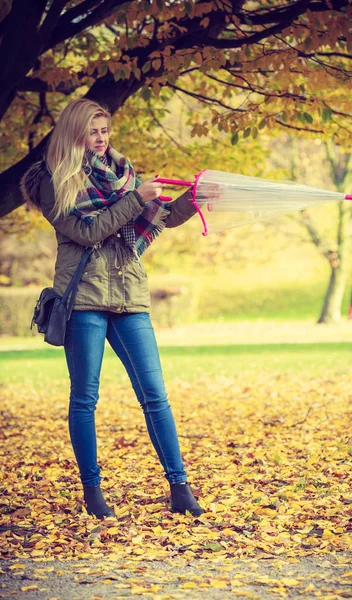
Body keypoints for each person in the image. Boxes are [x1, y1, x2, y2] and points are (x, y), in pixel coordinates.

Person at [21, 98, 204, 519]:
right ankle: (92, 491)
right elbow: (90, 231)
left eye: (105, 131)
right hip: (83, 297)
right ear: (74, 133)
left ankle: (180, 487)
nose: (101, 140)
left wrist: (193, 199)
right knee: (85, 399)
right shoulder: (53, 181)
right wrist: (136, 198)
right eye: (93, 132)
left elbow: (156, 218)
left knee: (155, 395)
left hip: (127, 293)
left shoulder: (122, 174)